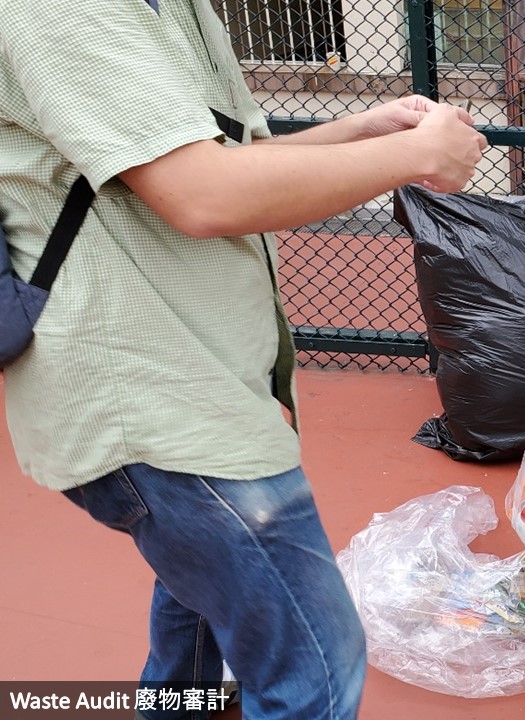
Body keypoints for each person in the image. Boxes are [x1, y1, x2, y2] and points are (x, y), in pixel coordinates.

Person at [0, 2, 487, 718]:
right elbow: (202, 194)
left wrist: (359, 132)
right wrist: (412, 156)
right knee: (315, 670)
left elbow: (217, 160)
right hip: (154, 398)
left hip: (195, 377)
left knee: (197, 626)